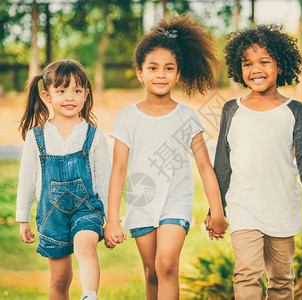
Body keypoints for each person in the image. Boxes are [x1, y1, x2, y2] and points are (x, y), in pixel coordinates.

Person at [104, 15, 229, 300]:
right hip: (141, 201)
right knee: (151, 271)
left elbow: (205, 168)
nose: (160, 74)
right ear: (140, 73)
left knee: (167, 265)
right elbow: (118, 170)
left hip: (176, 199)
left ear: (178, 74)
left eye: (168, 68)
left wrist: (217, 211)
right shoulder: (127, 118)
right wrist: (113, 219)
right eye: (153, 68)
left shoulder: (187, 117)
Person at [211, 24, 302, 299]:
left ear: (280, 65)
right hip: (243, 207)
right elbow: (222, 164)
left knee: (281, 279)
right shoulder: (231, 110)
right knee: (247, 274)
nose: (256, 69)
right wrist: (216, 209)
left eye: (264, 61)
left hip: (281, 206)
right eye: (247, 63)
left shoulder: (295, 110)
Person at [16, 59, 111, 300]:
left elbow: (105, 181)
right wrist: (23, 219)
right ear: (47, 96)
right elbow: (26, 181)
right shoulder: (35, 137)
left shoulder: (94, 136)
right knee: (60, 279)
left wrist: (112, 221)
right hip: (51, 215)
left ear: (86, 94)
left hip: (86, 209)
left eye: (77, 90)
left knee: (85, 245)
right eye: (62, 91)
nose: (70, 97)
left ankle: (89, 295)